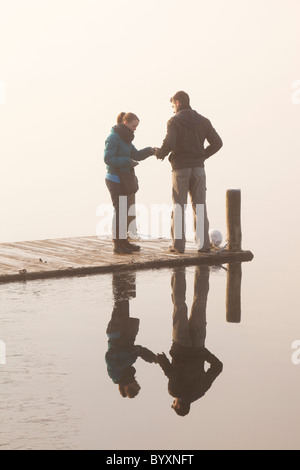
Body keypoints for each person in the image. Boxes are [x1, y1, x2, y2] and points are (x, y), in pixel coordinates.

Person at [154, 91, 223, 254]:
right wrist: (202, 156)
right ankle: (203, 246)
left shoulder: (173, 121)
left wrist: (160, 153)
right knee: (199, 207)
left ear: (177, 103)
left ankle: (178, 246)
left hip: (180, 170)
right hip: (198, 169)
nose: (172, 110)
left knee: (179, 207)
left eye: (172, 106)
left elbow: (169, 142)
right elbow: (218, 143)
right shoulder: (204, 121)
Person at [156, 266, 223, 416]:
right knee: (179, 306)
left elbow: (218, 367)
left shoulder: (201, 391)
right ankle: (178, 270)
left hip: (198, 344)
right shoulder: (175, 391)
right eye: (174, 404)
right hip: (181, 346)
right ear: (178, 406)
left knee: (200, 303)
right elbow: (171, 373)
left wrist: (203, 353)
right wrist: (161, 360)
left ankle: (203, 269)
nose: (173, 401)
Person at [104, 112, 154, 254]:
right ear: (126, 123)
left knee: (125, 211)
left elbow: (136, 154)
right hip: (114, 179)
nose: (135, 129)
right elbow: (108, 159)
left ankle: (124, 241)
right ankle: (117, 244)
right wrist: (127, 162)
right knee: (119, 211)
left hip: (124, 178)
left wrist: (150, 151)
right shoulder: (113, 137)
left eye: (136, 126)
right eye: (134, 126)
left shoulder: (126, 139)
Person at [105, 272, 157, 399]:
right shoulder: (127, 369)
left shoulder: (116, 375)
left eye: (135, 384)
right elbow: (136, 351)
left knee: (120, 300)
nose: (136, 381)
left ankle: (118, 274)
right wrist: (153, 358)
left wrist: (128, 353)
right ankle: (126, 273)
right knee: (125, 299)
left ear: (128, 387)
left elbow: (109, 356)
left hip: (116, 332)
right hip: (123, 331)